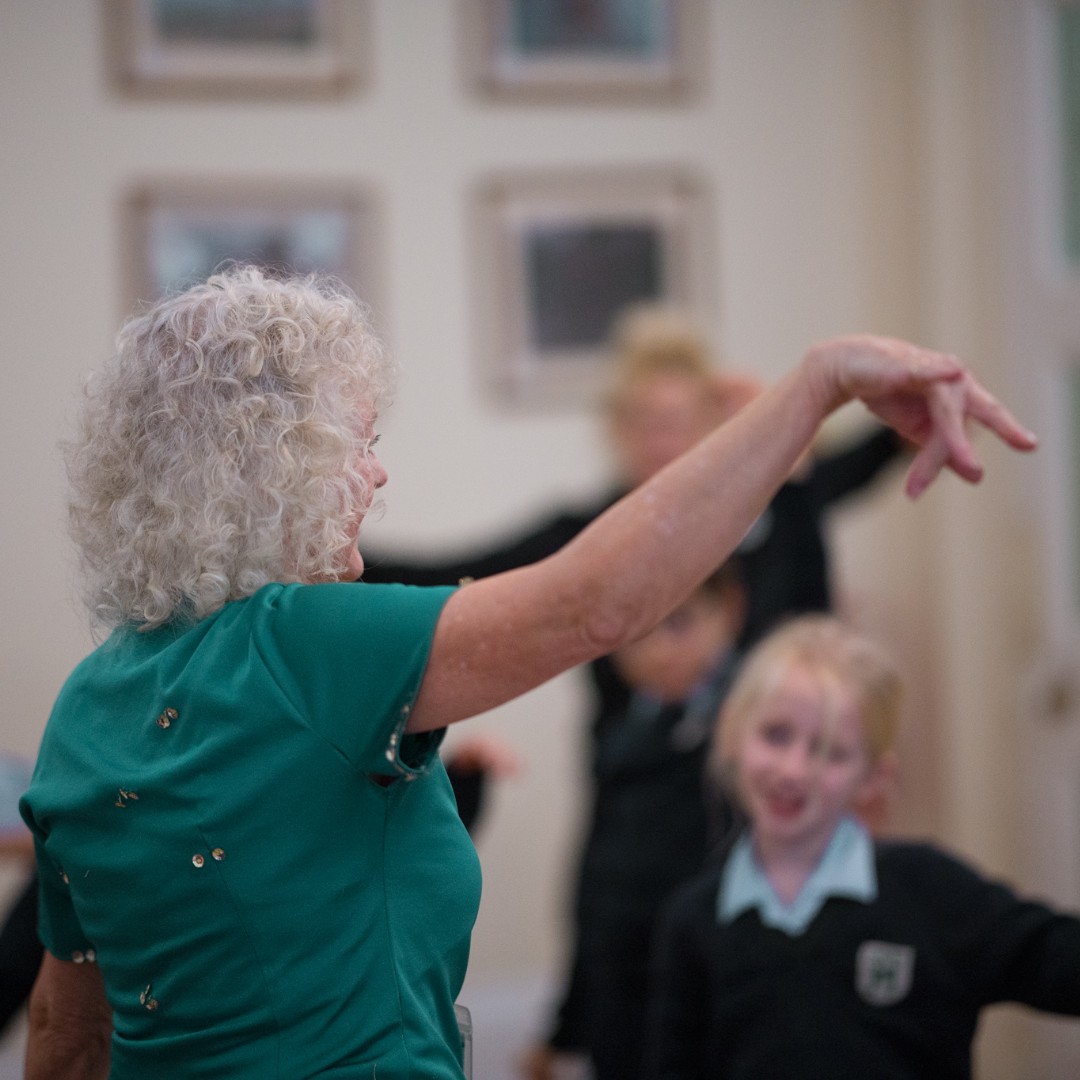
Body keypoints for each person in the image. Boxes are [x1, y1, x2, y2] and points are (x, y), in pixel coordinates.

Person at [18, 264, 1034, 1080]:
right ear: (276, 468)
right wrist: (815, 385)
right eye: (359, 447)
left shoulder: (85, 706)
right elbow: (597, 603)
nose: (378, 476)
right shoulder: (305, 640)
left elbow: (69, 1031)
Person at [644, 616, 1080, 1080]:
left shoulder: (932, 891)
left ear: (873, 777)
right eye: (776, 735)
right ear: (733, 733)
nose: (794, 770)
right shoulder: (692, 921)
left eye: (830, 751)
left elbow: (1058, 962)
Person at [523, 561, 746, 1080]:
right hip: (619, 996)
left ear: (730, 609)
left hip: (708, 993)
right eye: (637, 632)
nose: (656, 650)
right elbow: (596, 882)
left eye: (680, 622)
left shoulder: (750, 732)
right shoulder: (621, 731)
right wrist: (564, 1028)